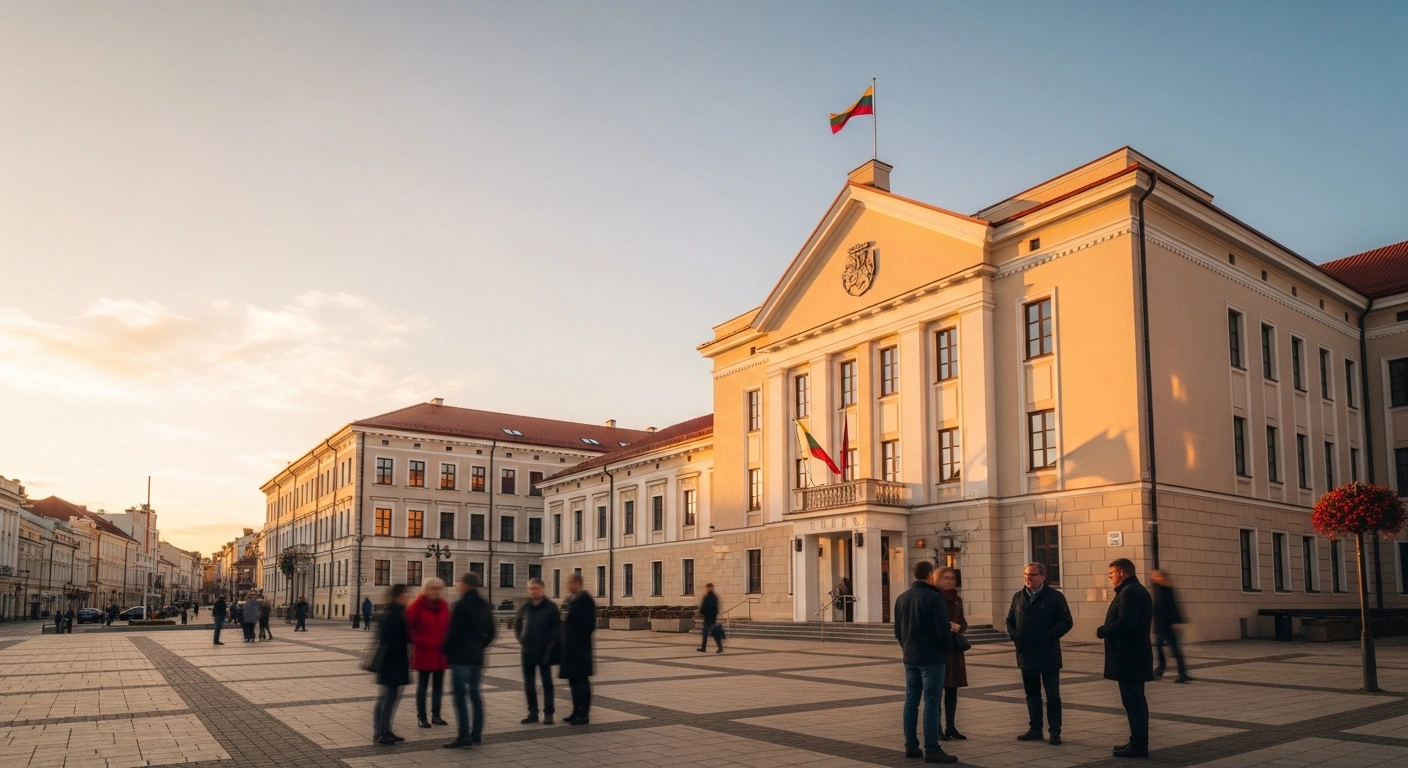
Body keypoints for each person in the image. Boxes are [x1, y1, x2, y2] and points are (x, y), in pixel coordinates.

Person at [894, 560, 957, 764]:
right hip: (932, 658)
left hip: (910, 656)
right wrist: (946, 648)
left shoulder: (902, 598)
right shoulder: (933, 597)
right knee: (931, 702)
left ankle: (911, 746)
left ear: (914, 575)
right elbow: (942, 629)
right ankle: (932, 748)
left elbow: (898, 631)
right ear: (930, 575)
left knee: (911, 700)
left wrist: (907, 648)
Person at [1006, 562, 1073, 746]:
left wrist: (1049, 636)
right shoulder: (1018, 597)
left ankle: (1054, 731)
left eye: (1033, 574)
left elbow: (1066, 621)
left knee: (1052, 695)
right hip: (1026, 654)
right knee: (1032, 694)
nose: (1029, 578)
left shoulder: (1055, 597)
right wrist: (1014, 635)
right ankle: (1035, 728)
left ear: (1043, 577)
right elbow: (1010, 620)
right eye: (1026, 574)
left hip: (1048, 654)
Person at [1098, 558, 1154, 759]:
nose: (1110, 576)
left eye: (1112, 572)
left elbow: (1126, 623)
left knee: (1133, 702)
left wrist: (1104, 631)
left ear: (1122, 572)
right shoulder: (1135, 590)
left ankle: (1139, 745)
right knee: (1135, 701)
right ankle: (1136, 741)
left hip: (1130, 657)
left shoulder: (1130, 592)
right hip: (1134, 656)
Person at [442, 572, 495, 749]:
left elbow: (453, 633)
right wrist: (480, 646)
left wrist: (446, 651)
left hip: (461, 657)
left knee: (460, 698)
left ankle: (464, 735)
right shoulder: (484, 605)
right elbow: (492, 631)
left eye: (459, 582)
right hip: (477, 657)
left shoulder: (461, 605)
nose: (457, 585)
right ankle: (477, 733)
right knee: (475, 696)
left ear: (466, 585)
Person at [514, 577, 560, 724]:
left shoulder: (551, 607)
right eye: (530, 589)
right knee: (529, 684)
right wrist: (522, 640)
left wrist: (549, 644)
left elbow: (557, 628)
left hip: (544, 652)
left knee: (547, 683)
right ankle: (532, 712)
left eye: (535, 588)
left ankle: (548, 713)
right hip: (527, 651)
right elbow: (517, 625)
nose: (532, 591)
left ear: (542, 589)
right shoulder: (525, 607)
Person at [406, 578, 450, 729]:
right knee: (423, 687)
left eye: (438, 588)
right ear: (425, 589)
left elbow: (448, 627)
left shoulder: (444, 605)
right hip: (424, 652)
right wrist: (420, 641)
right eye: (433, 588)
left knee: (438, 686)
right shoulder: (416, 605)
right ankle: (422, 717)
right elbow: (407, 628)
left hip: (440, 654)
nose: (436, 591)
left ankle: (436, 715)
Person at [373, 584, 412, 746]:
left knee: (386, 698)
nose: (408, 597)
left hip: (391, 663)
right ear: (399, 596)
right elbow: (392, 639)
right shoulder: (395, 614)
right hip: (393, 663)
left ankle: (382, 731)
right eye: (406, 594)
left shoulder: (391, 612)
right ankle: (383, 732)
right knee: (388, 699)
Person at [935, 566, 967, 741]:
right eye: (946, 578)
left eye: (952, 578)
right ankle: (937, 726)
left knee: (952, 689)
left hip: (954, 649)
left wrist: (959, 627)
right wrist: (947, 626)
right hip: (940, 648)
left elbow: (963, 621)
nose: (950, 581)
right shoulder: (935, 597)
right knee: (937, 689)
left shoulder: (957, 599)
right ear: (937, 579)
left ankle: (951, 726)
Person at [559, 572, 596, 725]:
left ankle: (584, 714)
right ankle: (575, 711)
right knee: (573, 681)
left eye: (570, 582)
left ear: (578, 584)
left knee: (581, 682)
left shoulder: (585, 600)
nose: (568, 585)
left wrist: (577, 640)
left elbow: (589, 625)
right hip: (568, 649)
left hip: (580, 650)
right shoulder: (569, 600)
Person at [1150, 570, 1190, 683]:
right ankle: (1180, 674)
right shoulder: (1163, 588)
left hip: (1163, 625)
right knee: (1167, 650)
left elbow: (1163, 606)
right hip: (1164, 625)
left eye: (1155, 576)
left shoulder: (1161, 589)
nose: (1153, 578)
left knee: (1167, 650)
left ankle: (1163, 672)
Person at [697, 583, 721, 653]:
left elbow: (713, 608)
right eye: (707, 588)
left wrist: (703, 612)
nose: (707, 589)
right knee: (705, 634)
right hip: (707, 618)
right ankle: (703, 648)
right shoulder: (708, 596)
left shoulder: (712, 597)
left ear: (711, 588)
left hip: (710, 618)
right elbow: (704, 606)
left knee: (713, 633)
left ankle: (720, 647)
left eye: (709, 588)